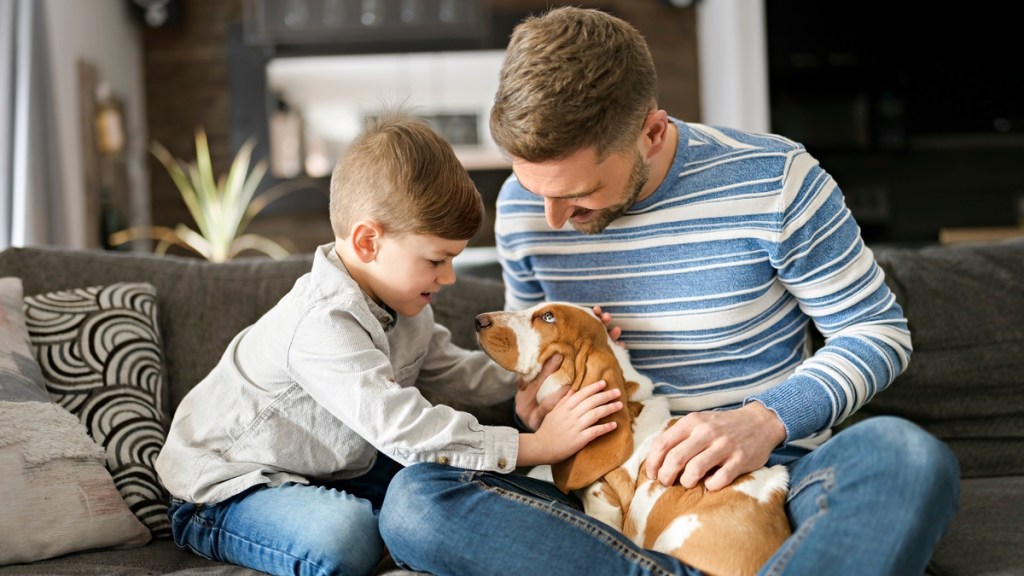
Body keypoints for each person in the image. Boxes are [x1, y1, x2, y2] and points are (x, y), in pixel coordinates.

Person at [379, 7, 960, 576]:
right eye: (536, 190)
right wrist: (531, 406)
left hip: (767, 475)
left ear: (651, 133)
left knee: (907, 458)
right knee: (417, 501)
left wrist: (762, 422)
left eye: (579, 194)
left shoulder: (777, 180)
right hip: (600, 478)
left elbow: (876, 333)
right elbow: (535, 364)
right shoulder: (522, 209)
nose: (552, 218)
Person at [154, 114, 625, 576]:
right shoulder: (321, 323)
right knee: (347, 536)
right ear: (367, 242)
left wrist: (547, 362)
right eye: (437, 260)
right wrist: (536, 446)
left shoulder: (405, 305)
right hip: (227, 488)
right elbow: (404, 428)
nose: (449, 277)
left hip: (335, 471)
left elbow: (457, 374)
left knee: (464, 479)